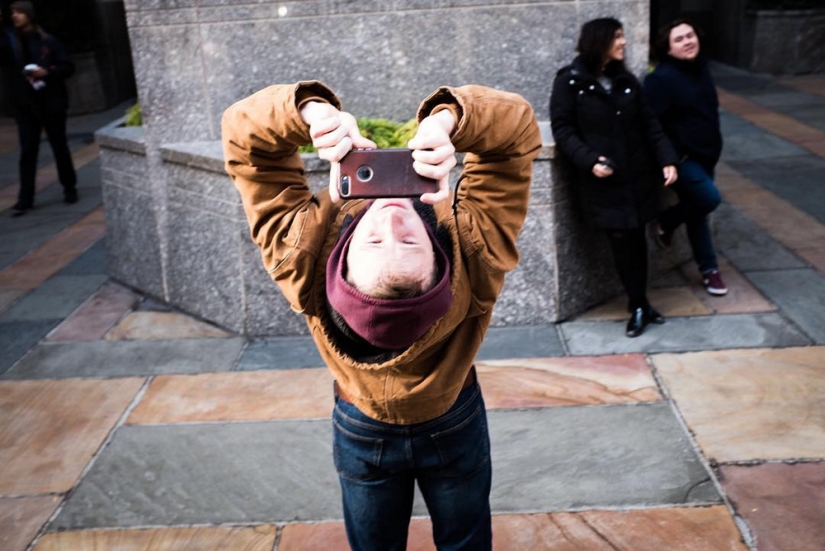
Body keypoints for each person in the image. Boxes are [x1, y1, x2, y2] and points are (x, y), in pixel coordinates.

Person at [222, 81, 541, 550]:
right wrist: (449, 121)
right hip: (453, 418)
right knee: (467, 540)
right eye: (409, 242)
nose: (392, 220)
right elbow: (516, 135)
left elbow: (245, 145)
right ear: (440, 261)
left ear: (341, 262)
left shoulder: (301, 262)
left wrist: (310, 114)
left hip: (361, 425)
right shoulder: (475, 256)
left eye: (374, 242)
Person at [550, 17, 679, 337]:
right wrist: (589, 160)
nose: (624, 43)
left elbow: (650, 124)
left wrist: (667, 159)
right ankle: (637, 306)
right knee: (623, 244)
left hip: (637, 179)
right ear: (600, 41)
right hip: (603, 183)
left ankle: (642, 304)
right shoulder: (570, 82)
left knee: (639, 242)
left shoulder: (627, 81)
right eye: (618, 37)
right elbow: (563, 129)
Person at [644, 18, 728, 296]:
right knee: (708, 199)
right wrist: (671, 157)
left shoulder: (701, 68)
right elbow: (650, 123)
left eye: (690, 35)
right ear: (668, 50)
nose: (688, 42)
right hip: (681, 159)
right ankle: (665, 221)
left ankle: (709, 270)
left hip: (706, 155)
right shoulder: (660, 79)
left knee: (698, 213)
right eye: (679, 39)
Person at [0, 1, 77, 216]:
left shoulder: (47, 41)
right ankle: (25, 198)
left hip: (51, 102)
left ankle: (69, 188)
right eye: (13, 12)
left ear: (29, 15)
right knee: (27, 152)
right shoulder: (11, 43)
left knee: (59, 146)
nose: (15, 16)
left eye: (19, 12)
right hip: (25, 106)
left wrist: (47, 72)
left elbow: (67, 66)